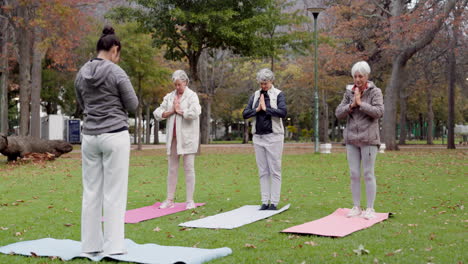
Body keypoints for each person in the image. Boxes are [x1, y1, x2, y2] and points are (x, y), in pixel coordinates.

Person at [75, 26, 138, 255]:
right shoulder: (116, 72)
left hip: (90, 136)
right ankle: (113, 246)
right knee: (114, 193)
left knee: (91, 192)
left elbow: (81, 102)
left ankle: (90, 245)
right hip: (114, 135)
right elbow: (132, 105)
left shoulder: (82, 72)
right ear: (114, 50)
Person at [335, 61, 384, 219]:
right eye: (355, 76)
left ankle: (370, 208)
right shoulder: (348, 92)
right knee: (354, 174)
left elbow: (378, 112)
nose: (357, 79)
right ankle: (356, 206)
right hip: (351, 139)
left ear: (367, 76)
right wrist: (351, 105)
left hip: (369, 139)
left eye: (360, 76)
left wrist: (361, 103)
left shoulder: (375, 92)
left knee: (368, 173)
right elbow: (338, 113)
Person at [153, 70, 201, 210]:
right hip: (173, 138)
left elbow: (196, 112)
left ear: (185, 82)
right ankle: (169, 199)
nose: (177, 87)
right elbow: (158, 112)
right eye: (175, 85)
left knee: (189, 167)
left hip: (188, 137)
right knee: (172, 168)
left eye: (179, 84)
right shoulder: (169, 96)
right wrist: (170, 111)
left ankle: (189, 200)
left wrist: (180, 111)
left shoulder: (192, 96)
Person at [242, 68, 287, 210]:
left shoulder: (278, 94)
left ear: (271, 81)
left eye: (265, 83)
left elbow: (282, 112)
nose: (263, 86)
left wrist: (266, 108)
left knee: (275, 169)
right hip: (258, 137)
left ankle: (274, 202)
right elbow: (245, 113)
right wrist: (257, 109)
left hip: (274, 137)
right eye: (261, 83)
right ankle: (264, 201)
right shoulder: (255, 95)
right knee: (263, 170)